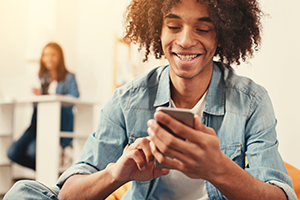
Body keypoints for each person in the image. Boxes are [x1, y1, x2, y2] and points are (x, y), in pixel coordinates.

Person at [4, 0, 297, 199]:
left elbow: (282, 195)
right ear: (156, 30)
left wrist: (218, 169)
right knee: (23, 192)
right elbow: (69, 192)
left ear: (221, 35)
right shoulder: (126, 100)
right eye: (173, 26)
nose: (184, 41)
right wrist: (116, 174)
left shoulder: (251, 101)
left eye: (203, 28)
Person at [6, 42, 79, 171]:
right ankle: (44, 172)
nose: (48, 58)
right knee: (12, 152)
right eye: (45, 55)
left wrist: (49, 95)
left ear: (60, 57)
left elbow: (75, 97)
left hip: (58, 124)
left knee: (33, 151)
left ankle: (45, 175)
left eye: (52, 55)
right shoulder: (40, 78)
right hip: (36, 124)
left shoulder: (69, 78)